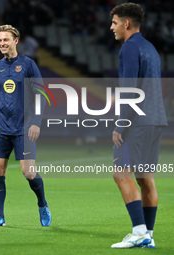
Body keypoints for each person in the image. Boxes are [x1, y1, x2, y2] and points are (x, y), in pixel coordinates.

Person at [110, 3, 167, 249]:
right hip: (156, 119)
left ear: (127, 23)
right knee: (146, 178)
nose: (111, 27)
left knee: (120, 173)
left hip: (138, 122)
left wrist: (120, 125)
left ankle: (139, 231)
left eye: (114, 22)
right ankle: (148, 235)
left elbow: (130, 91)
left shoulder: (129, 48)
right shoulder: (151, 48)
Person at [0, 24, 51, 227]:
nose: (2, 43)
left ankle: (42, 204)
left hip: (24, 127)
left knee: (28, 172)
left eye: (5, 40)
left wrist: (36, 123)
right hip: (0, 126)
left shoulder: (29, 65)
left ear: (15, 41)